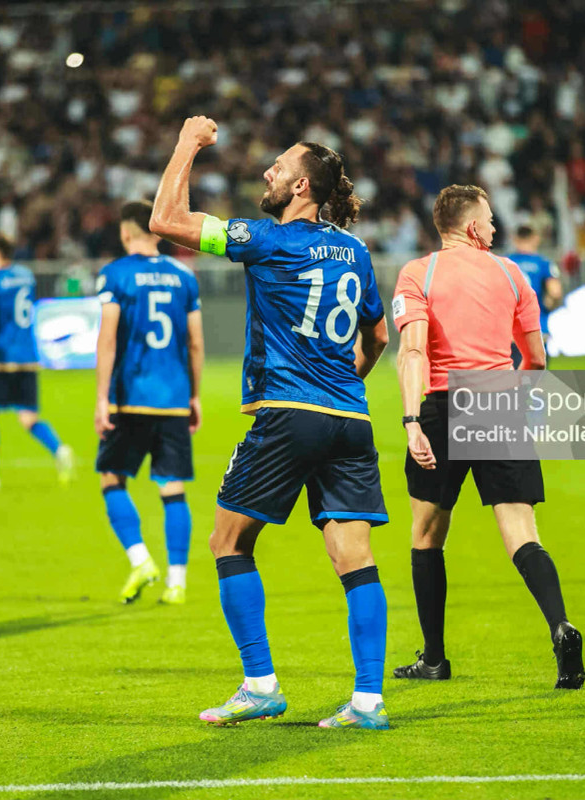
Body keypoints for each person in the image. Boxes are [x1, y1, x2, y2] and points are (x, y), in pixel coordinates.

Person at [151, 116, 391, 730]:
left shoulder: (268, 240)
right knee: (354, 558)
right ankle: (368, 702)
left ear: (302, 187)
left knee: (228, 542)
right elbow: (378, 336)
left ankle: (260, 685)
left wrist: (187, 143)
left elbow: (166, 221)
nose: (268, 172)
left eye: (279, 167)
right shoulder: (357, 251)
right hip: (350, 418)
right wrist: (343, 384)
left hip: (288, 412)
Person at [391, 185, 584, 690]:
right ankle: (560, 626)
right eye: (491, 220)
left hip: (442, 404)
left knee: (427, 536)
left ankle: (434, 659)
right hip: (498, 400)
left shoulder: (418, 273)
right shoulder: (511, 273)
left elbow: (413, 353)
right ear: (473, 227)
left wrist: (411, 421)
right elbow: (536, 359)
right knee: (522, 533)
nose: (496, 228)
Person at [94, 201, 204, 605]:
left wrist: (101, 398)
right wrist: (194, 395)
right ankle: (177, 582)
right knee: (172, 488)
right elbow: (195, 342)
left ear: (125, 232)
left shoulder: (115, 274)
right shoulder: (184, 276)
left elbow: (107, 339)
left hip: (131, 398)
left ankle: (140, 560)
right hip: (174, 398)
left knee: (111, 479)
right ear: (156, 230)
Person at [0, 232, 74, 490]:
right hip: (28, 356)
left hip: (2, 357)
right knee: (28, 417)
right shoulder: (26, 276)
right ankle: (59, 449)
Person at [505, 224, 563, 356]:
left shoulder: (505, 262)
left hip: (512, 330)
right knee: (536, 368)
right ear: (536, 239)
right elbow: (555, 292)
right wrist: (549, 304)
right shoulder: (543, 263)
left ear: (515, 239)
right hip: (537, 327)